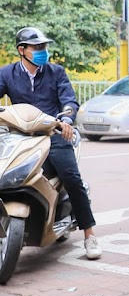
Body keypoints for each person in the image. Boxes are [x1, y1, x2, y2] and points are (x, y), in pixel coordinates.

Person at [0, 27, 101, 260]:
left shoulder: (56, 72)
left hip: (54, 134)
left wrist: (66, 120)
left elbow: (69, 101)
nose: (43, 51)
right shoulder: (7, 74)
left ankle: (89, 234)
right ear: (22, 50)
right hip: (21, 136)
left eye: (44, 47)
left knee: (71, 178)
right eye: (37, 47)